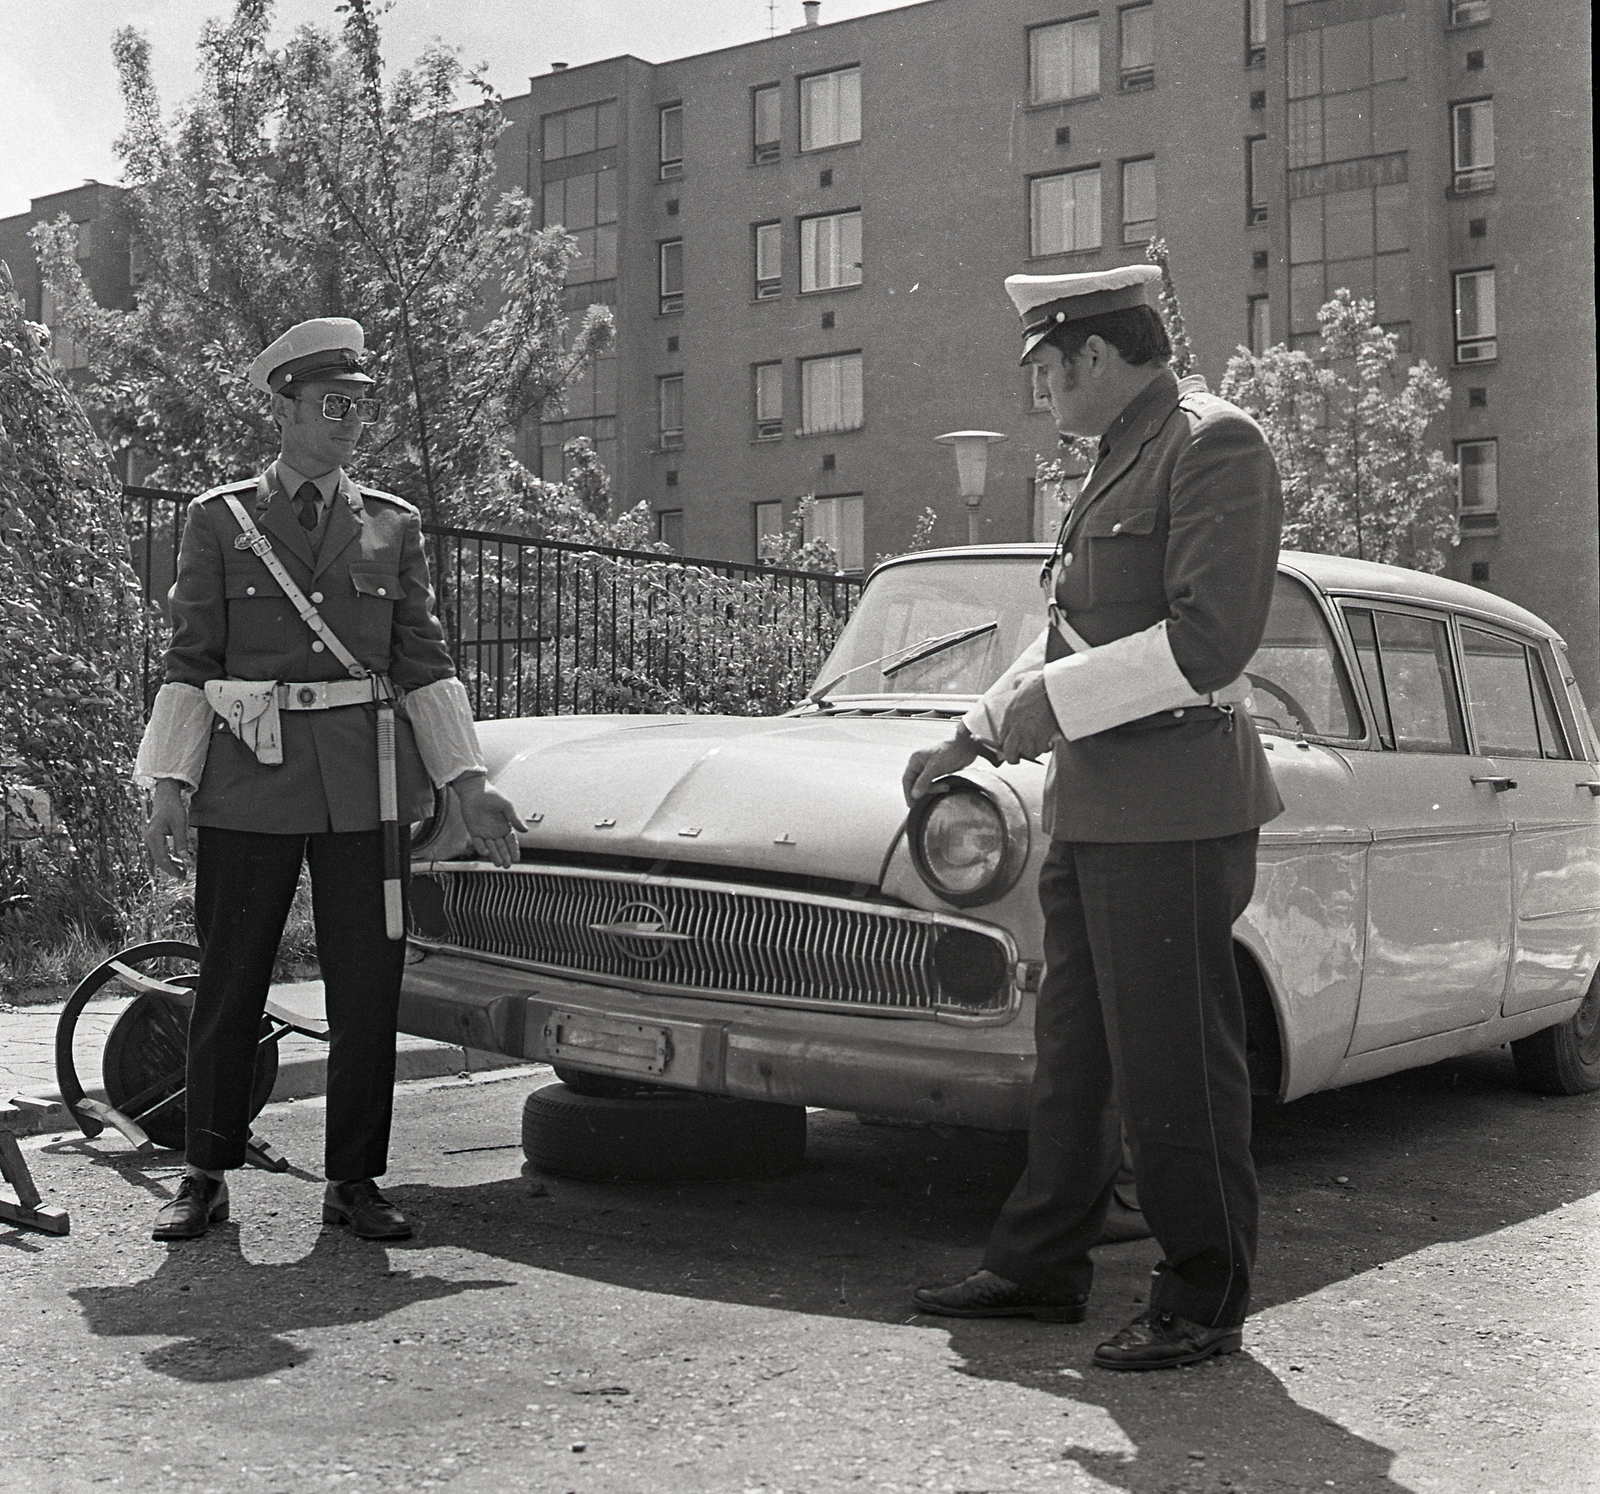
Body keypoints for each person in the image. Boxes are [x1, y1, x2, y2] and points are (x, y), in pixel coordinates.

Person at [904, 265, 1283, 1371]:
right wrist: (971, 732)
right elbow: (1069, 632)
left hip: (1175, 806)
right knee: (1076, 1055)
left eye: (1046, 370)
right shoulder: (1120, 455)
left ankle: (1203, 1293)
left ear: (1097, 356)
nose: (1041, 394)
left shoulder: (1214, 445)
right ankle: (1037, 1267)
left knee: (1174, 1062)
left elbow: (1209, 642)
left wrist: (1046, 706)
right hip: (1102, 806)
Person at [136, 317, 524, 1243]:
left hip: (365, 782)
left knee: (364, 989)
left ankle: (354, 1179)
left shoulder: (393, 525)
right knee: (230, 983)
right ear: (286, 409)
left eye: (360, 408)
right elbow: (192, 658)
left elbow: (422, 661)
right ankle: (205, 1170)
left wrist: (466, 782)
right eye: (332, 405)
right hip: (249, 784)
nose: (351, 423)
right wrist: (167, 783)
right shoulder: (220, 521)